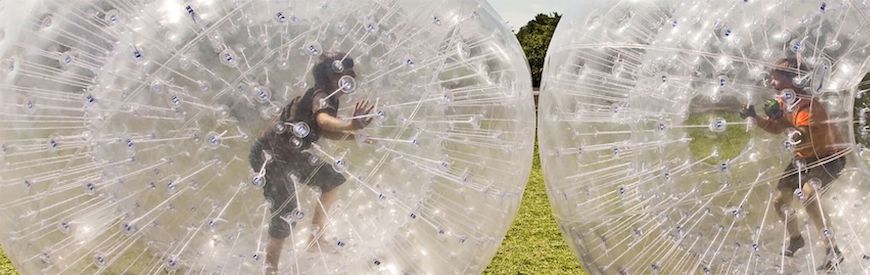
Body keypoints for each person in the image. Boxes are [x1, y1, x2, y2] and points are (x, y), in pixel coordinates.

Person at [248, 52, 374, 275]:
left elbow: (325, 131)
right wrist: (350, 125)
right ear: (327, 77)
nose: (345, 82)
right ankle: (270, 270)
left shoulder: (330, 99)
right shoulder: (320, 95)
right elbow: (323, 120)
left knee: (332, 180)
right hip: (269, 153)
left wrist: (356, 136)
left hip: (291, 152)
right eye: (340, 77)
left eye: (348, 76)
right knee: (286, 210)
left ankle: (316, 240)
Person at [739, 57, 847, 271]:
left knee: (809, 196)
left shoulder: (807, 105)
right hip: (803, 158)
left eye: (774, 76)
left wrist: (782, 118)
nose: (770, 81)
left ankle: (832, 250)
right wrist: (755, 117)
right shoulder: (783, 101)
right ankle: (796, 239)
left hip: (828, 157)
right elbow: (777, 129)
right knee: (780, 201)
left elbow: (803, 138)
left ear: (790, 78)